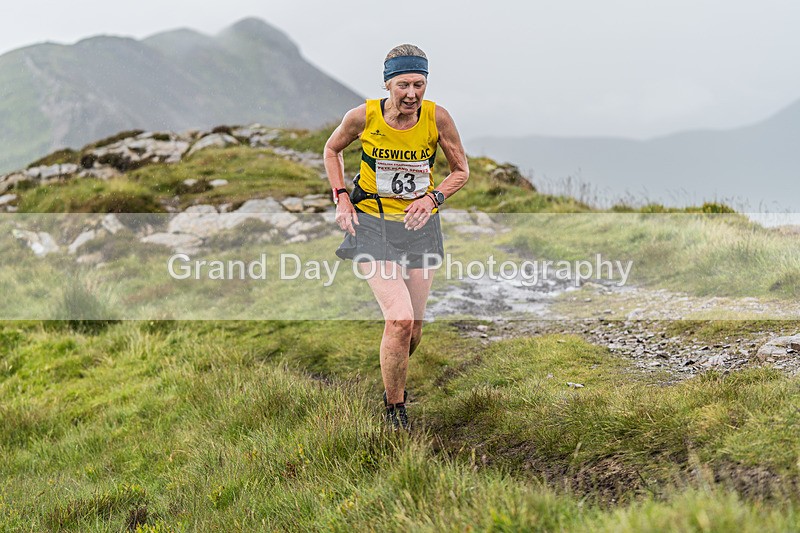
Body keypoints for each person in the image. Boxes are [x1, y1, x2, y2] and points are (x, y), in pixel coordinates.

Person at [323, 44, 469, 431]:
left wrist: (433, 197)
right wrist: (341, 199)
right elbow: (332, 150)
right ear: (388, 84)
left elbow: (460, 171)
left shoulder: (437, 118)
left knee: (413, 329)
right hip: (371, 224)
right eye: (403, 84)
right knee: (400, 320)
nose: (411, 94)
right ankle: (394, 410)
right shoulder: (362, 116)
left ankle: (394, 375)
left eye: (418, 84)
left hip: (419, 226)